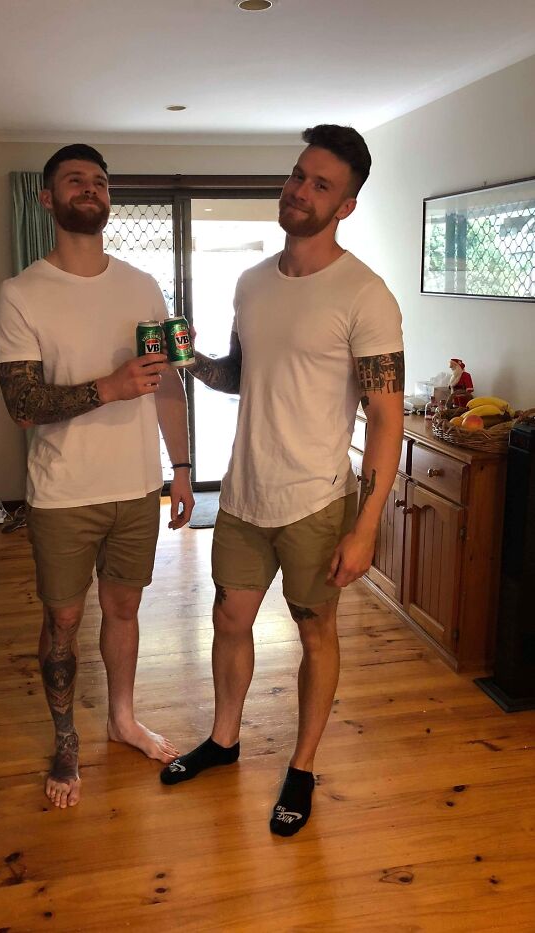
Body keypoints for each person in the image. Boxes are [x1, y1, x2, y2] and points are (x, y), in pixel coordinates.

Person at [160, 125, 405, 837]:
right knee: (228, 621)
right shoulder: (252, 283)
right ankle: (224, 740)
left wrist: (366, 526)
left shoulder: (366, 295)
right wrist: (190, 361)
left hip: (317, 503)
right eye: (298, 174)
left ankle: (301, 767)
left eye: (320, 184)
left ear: (345, 206)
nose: (299, 190)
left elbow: (385, 419)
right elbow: (242, 374)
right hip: (242, 496)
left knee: (315, 631)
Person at [0, 143, 194, 810]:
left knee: (124, 608)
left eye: (100, 180)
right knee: (63, 618)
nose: (90, 188)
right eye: (75, 179)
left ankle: (122, 718)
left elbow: (167, 386)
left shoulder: (142, 285)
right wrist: (108, 387)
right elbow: (23, 406)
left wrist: (182, 469)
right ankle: (65, 739)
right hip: (62, 494)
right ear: (47, 199)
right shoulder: (21, 293)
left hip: (136, 487)